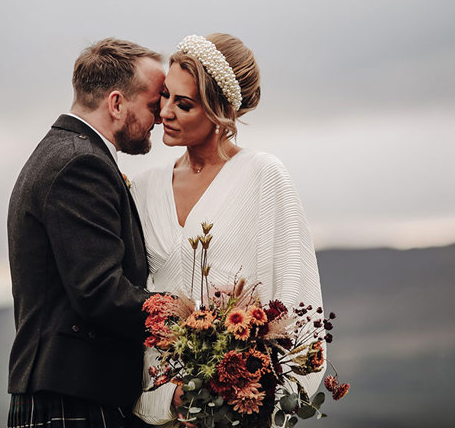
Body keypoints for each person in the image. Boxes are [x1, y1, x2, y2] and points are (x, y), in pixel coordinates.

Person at [131, 34, 325, 425]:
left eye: (183, 104)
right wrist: (165, 399)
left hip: (237, 412)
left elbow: (297, 301)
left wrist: (258, 400)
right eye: (164, 95)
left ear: (222, 112)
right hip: (157, 405)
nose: (165, 111)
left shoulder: (262, 176)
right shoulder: (142, 187)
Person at [7, 38, 165, 428]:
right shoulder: (80, 163)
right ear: (116, 103)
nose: (159, 119)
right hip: (76, 393)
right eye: (152, 104)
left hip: (66, 388)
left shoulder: (62, 152)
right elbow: (99, 291)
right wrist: (186, 318)